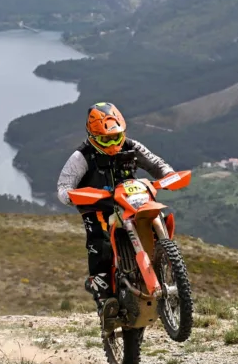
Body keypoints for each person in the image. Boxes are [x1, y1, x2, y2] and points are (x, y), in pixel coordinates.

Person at [56, 102, 174, 325]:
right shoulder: (81, 156)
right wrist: (71, 196)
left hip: (132, 201)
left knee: (159, 216)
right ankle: (102, 293)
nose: (112, 144)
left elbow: (156, 163)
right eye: (105, 139)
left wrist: (166, 173)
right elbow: (63, 185)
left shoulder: (132, 146)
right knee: (100, 243)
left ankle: (167, 262)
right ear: (92, 135)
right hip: (98, 206)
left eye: (115, 137)